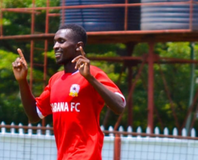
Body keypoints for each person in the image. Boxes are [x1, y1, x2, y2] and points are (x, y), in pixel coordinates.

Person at [12, 24, 126, 160]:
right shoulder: (55, 80)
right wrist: (22, 80)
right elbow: (34, 115)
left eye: (61, 41)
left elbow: (119, 106)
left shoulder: (93, 74)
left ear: (78, 46)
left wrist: (89, 78)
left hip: (86, 156)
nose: (55, 46)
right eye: (55, 42)